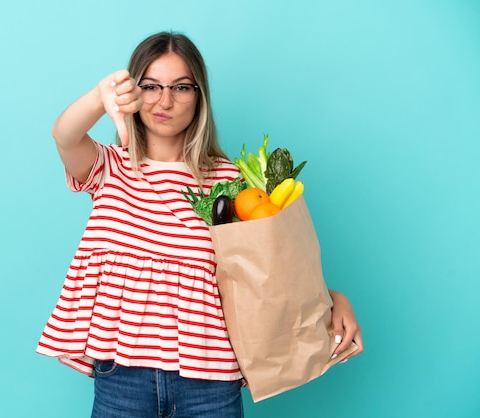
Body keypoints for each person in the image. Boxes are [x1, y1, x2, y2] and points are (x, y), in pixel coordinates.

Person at [37, 31, 364, 417]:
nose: (164, 100)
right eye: (151, 86)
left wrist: (335, 299)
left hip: (210, 383)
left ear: (199, 96)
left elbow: (267, 275)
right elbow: (64, 135)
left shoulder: (231, 182)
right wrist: (98, 96)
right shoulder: (110, 166)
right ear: (133, 94)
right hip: (122, 376)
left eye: (181, 87)